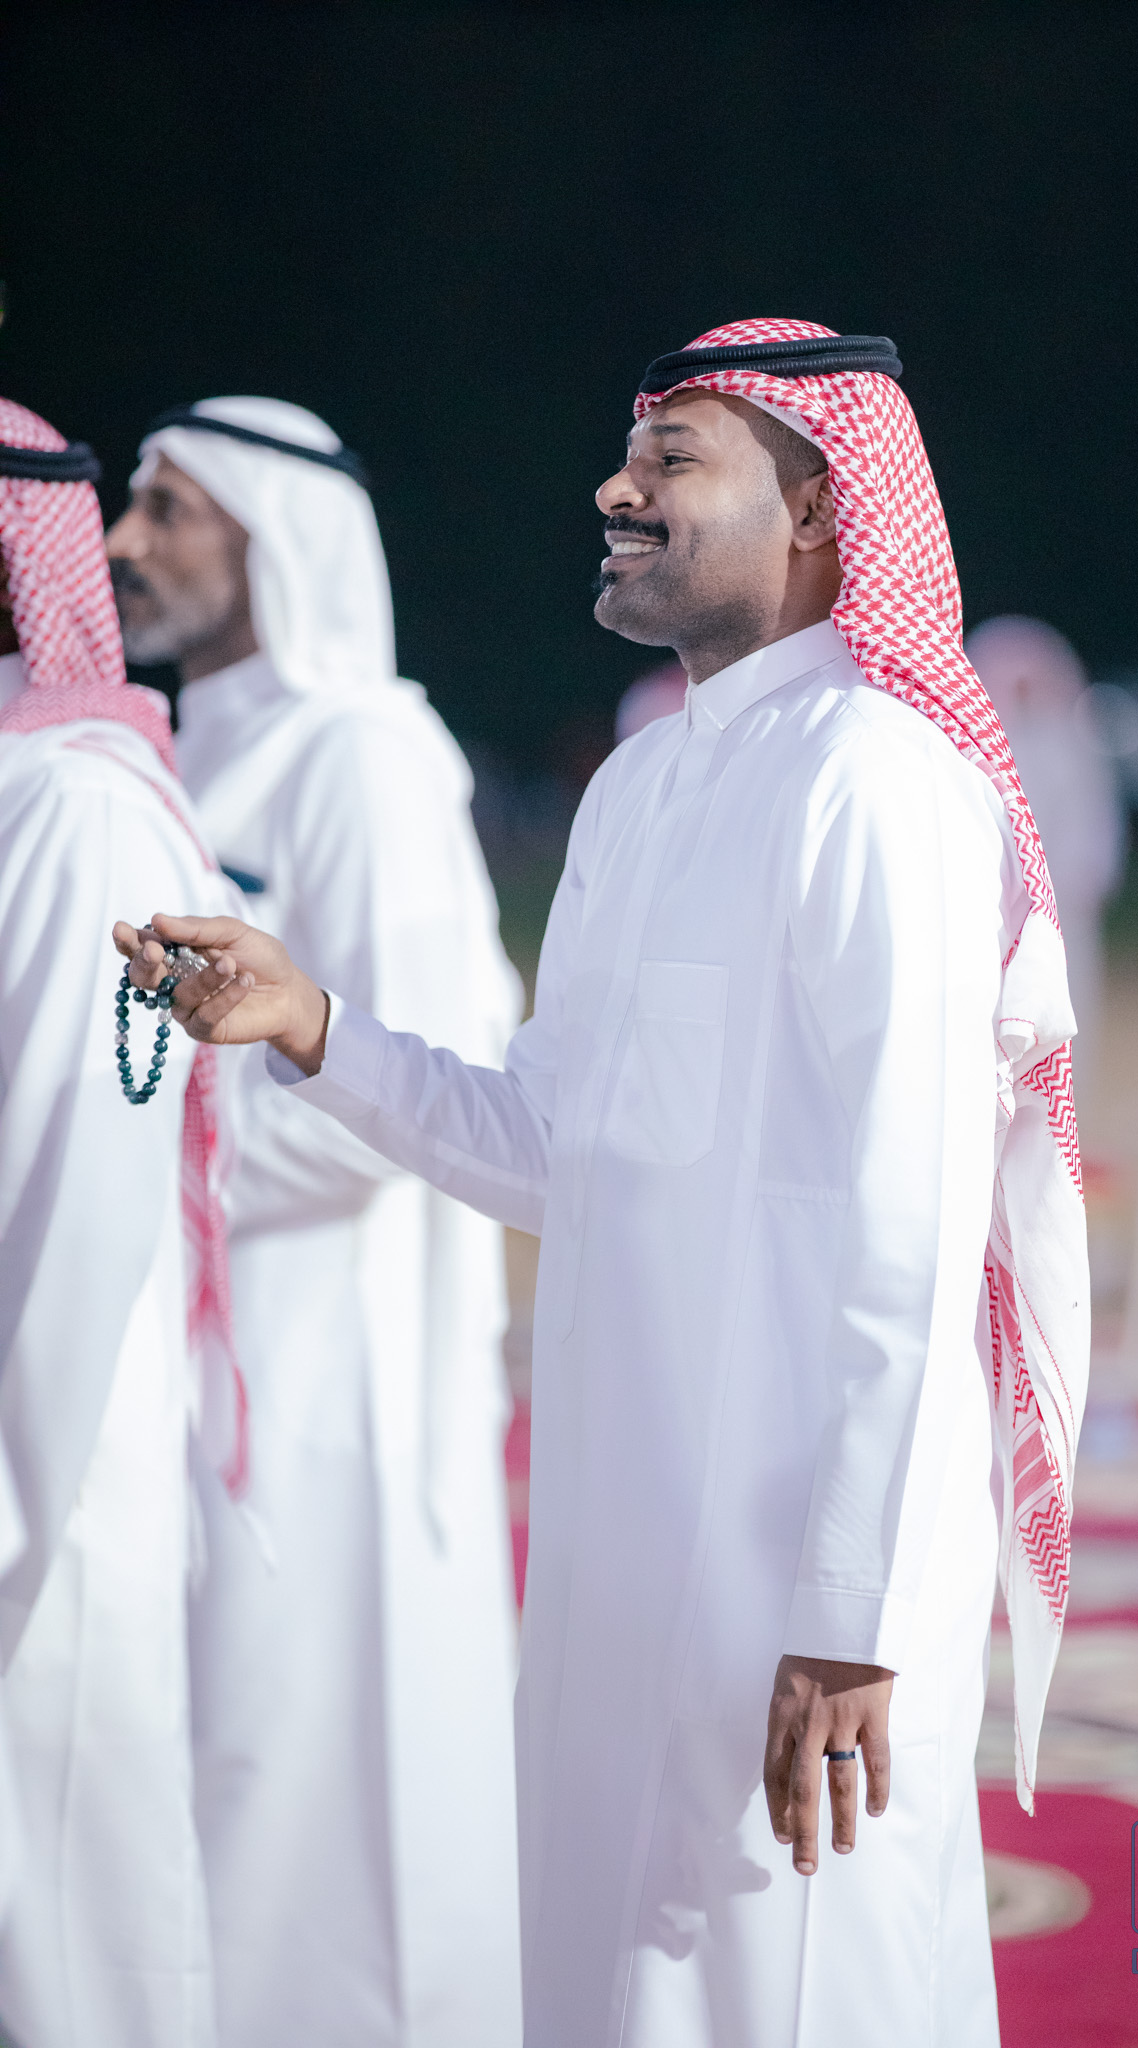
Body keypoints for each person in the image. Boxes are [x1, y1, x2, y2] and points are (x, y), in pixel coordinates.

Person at [118, 320, 1091, 2048]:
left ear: (818, 508)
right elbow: (552, 1151)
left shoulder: (880, 780)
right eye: (628, 455)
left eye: (671, 460)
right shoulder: (641, 785)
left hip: (794, 1570)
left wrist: (850, 1613)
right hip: (616, 1533)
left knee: (801, 1993)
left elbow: (914, 1224)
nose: (613, 491)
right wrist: (316, 1026)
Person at [105, 398, 523, 2048]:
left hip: (335, 1366)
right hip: (186, 1344)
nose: (126, 540)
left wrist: (136, 1192)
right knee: (213, 1745)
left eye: (169, 507)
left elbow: (415, 1079)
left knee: (324, 1755)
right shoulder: (179, 754)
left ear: (273, 535)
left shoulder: (364, 753)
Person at [0, 398, 241, 2048]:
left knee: (69, 1951)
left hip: (43, 1482)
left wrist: (15, 1507)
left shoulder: (76, 809)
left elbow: (78, 1195)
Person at [965, 615, 1126, 1114]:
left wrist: (1075, 887)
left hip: (1060, 914)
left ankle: (1062, 1122)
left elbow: (1093, 823)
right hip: (992, 915)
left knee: (1065, 1017)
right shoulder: (972, 750)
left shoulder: (1071, 745)